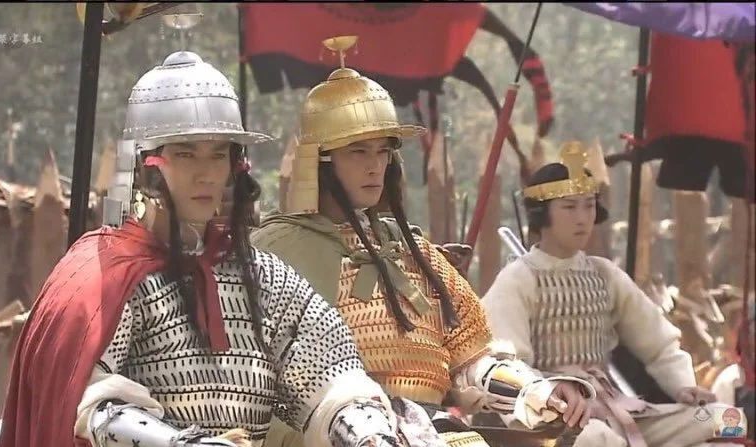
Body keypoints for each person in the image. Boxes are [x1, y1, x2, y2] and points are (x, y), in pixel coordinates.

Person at [0, 51, 406, 447]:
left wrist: (368, 434)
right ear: (146, 165)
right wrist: (181, 443)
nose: (206, 173)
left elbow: (333, 377)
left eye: (218, 154)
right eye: (185, 154)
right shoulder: (104, 275)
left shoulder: (261, 278)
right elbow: (91, 407)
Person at [251, 36, 596, 447]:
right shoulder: (277, 252)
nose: (375, 166)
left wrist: (537, 391)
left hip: (431, 432)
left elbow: (475, 359)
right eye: (358, 151)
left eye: (383, 151)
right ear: (320, 162)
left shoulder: (416, 253)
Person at [483, 141, 732, 447]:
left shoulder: (604, 274)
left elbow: (657, 343)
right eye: (569, 207)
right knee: (599, 440)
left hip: (614, 407)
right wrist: (546, 394)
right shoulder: (518, 279)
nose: (582, 218)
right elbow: (506, 364)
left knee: (726, 420)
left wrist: (683, 386)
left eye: (589, 205)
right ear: (543, 214)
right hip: (553, 416)